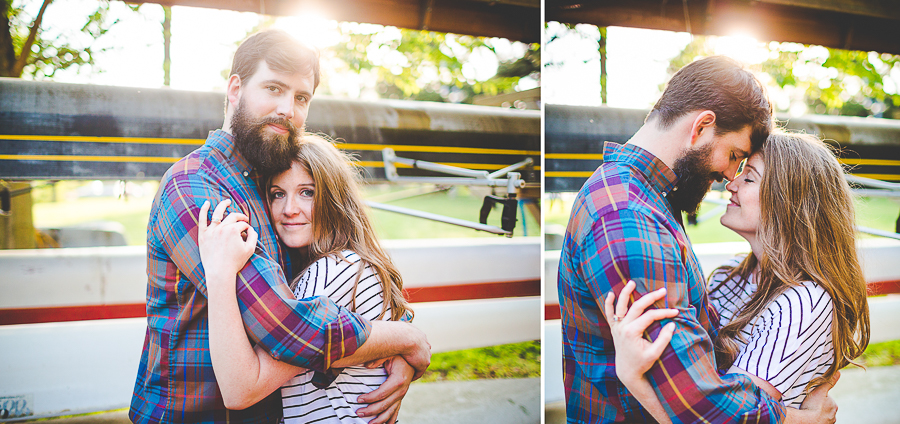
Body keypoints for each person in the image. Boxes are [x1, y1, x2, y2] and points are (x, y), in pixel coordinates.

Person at [130, 30, 430, 424]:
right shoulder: (196, 187)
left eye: (301, 97)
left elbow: (336, 276)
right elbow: (285, 325)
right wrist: (406, 341)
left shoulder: (272, 180)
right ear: (235, 89)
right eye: (273, 88)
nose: (288, 109)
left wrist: (397, 342)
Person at [557, 55, 836, 423]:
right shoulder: (630, 218)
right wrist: (803, 420)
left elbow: (699, 353)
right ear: (702, 126)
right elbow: (697, 402)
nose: (727, 175)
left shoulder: (646, 200)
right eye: (734, 155)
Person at [603, 131, 870, 423]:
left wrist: (632, 376)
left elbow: (726, 418)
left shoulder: (803, 304)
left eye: (749, 178)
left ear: (788, 202)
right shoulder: (731, 274)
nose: (731, 184)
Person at [197, 134, 413, 424]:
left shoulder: (331, 272)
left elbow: (240, 390)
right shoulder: (352, 263)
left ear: (335, 198)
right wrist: (407, 342)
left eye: (307, 192)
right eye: (277, 194)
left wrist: (219, 273)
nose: (289, 209)